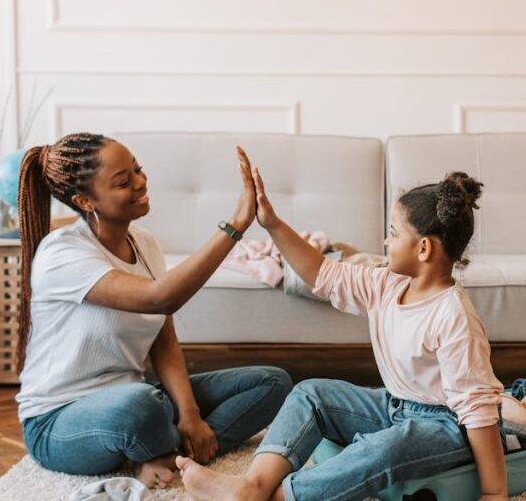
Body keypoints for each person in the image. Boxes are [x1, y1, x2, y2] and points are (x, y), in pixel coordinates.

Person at [176, 167, 508, 501]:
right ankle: (254, 485)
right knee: (311, 393)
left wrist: (494, 492)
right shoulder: (386, 284)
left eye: (393, 233)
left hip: (448, 427)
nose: (385, 241)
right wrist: (272, 223)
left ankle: (281, 498)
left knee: (381, 450)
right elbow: (323, 273)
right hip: (395, 406)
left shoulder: (454, 318)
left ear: (423, 249)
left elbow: (478, 411)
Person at [14, 133, 292, 487]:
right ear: (85, 200)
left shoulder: (145, 244)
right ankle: (158, 450)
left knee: (272, 382)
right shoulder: (61, 255)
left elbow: (164, 339)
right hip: (58, 421)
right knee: (140, 406)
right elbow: (160, 298)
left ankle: (169, 454)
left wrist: (190, 415)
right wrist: (236, 225)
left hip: (139, 399)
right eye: (123, 181)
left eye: (138, 170)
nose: (141, 182)